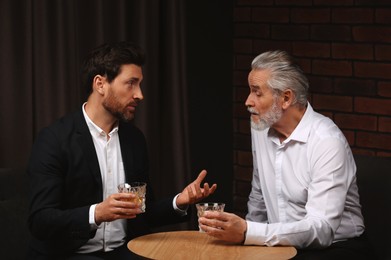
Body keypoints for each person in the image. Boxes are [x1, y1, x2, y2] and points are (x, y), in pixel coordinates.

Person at [27, 41, 217, 260]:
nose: (139, 95)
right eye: (131, 83)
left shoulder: (133, 139)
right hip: (70, 254)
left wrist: (179, 201)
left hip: (125, 251)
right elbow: (40, 220)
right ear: (100, 84)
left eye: (139, 84)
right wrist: (96, 213)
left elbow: (143, 213)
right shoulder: (53, 140)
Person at [198, 50, 374, 259]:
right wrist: (247, 245)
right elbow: (259, 194)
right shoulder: (261, 126)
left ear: (286, 98)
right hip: (279, 245)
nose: (247, 101)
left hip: (337, 248)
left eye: (257, 92)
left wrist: (248, 232)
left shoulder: (327, 141)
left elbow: (322, 230)